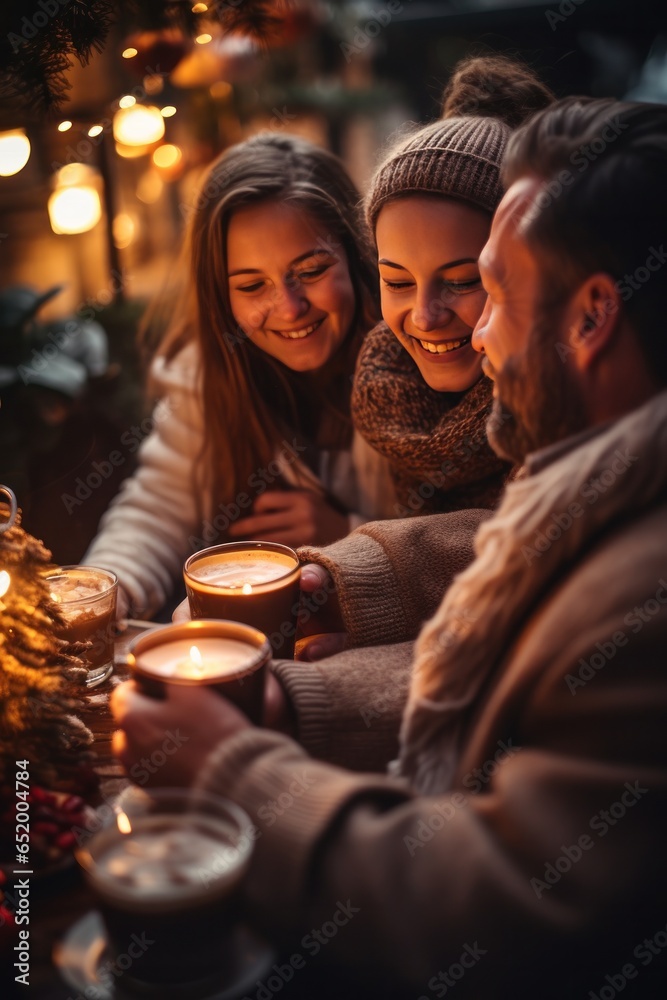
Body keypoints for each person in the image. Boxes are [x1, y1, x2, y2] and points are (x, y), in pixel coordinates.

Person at [112, 96, 667, 999]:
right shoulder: (604, 476)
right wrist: (330, 604)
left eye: (492, 291)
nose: (467, 331)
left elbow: (499, 905)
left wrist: (234, 770)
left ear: (593, 315)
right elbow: (493, 568)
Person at [84, 133, 382, 619]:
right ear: (220, 296)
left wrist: (348, 532)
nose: (288, 307)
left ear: (355, 254)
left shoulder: (415, 363)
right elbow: (155, 512)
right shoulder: (207, 377)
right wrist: (99, 598)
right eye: (251, 285)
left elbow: (458, 540)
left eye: (311, 270)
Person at [351, 56, 554, 516]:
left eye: (463, 280)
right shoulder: (378, 393)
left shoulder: (569, 409)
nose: (425, 315)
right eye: (397, 282)